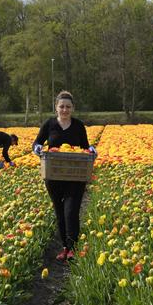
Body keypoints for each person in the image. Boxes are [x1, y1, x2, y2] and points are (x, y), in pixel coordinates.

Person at [32, 91, 97, 261]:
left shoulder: (78, 126)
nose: (65, 109)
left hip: (75, 176)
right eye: (62, 106)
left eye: (68, 107)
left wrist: (91, 151)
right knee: (59, 212)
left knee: (71, 211)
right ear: (56, 108)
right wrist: (37, 149)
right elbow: (37, 142)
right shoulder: (49, 124)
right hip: (53, 176)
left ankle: (73, 248)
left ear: (73, 108)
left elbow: (85, 147)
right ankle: (64, 247)